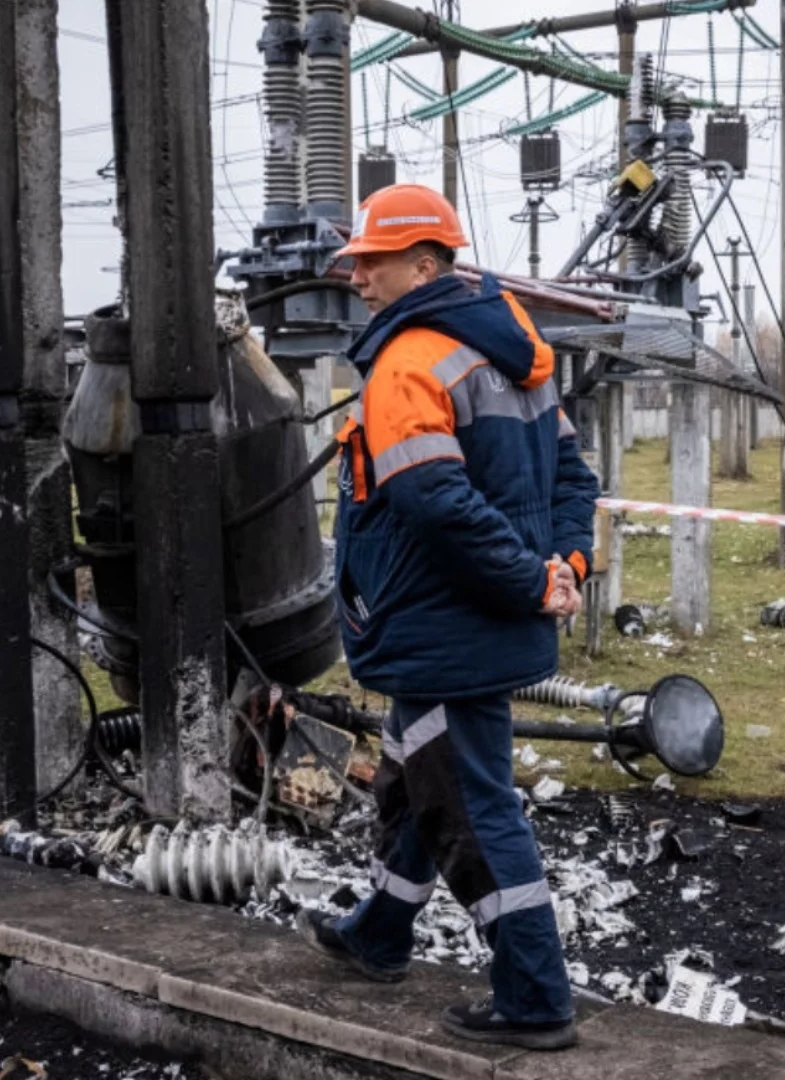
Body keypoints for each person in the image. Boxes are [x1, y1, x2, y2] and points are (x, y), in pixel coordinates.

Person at [295, 184, 599, 1052]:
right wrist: (562, 568)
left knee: (467, 806)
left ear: (425, 264)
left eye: (373, 262)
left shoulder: (408, 365)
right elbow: (574, 481)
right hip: (470, 621)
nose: (358, 277)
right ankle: (380, 934)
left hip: (443, 625)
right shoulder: (513, 357)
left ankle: (535, 998)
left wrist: (530, 582)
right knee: (408, 781)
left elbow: (434, 501)